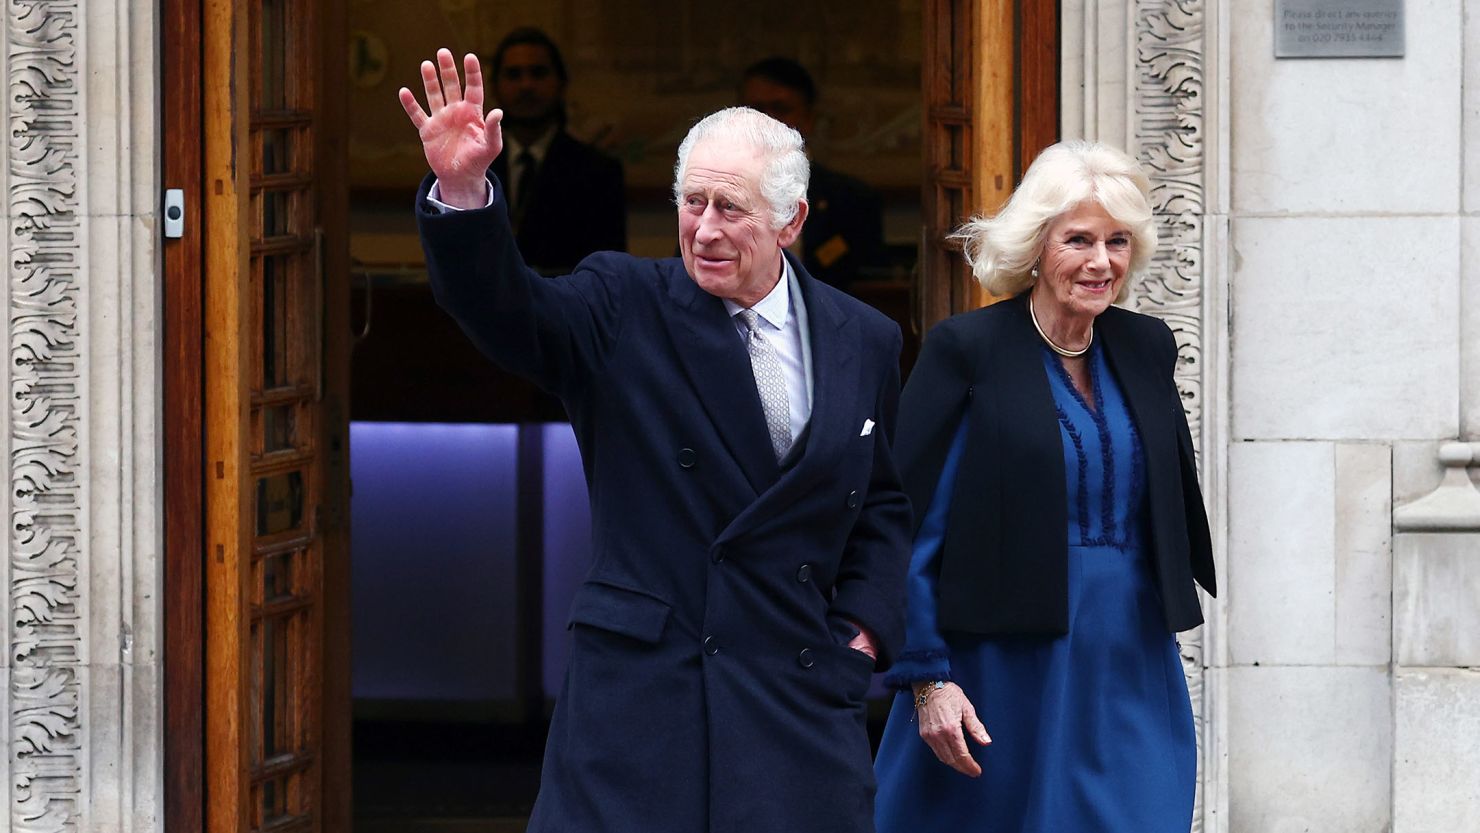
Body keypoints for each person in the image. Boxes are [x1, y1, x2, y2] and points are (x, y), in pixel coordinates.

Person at [398, 50, 912, 833]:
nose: (703, 230)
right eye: (691, 201)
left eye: (730, 209)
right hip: (646, 704)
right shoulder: (622, 304)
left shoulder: (864, 338)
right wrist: (465, 193)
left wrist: (862, 636)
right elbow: (511, 314)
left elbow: (880, 502)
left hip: (795, 701)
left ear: (792, 220)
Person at [871, 140, 1218, 832]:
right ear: (1036, 244)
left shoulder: (1145, 346)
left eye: (1118, 241)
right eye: (1079, 239)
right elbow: (907, 526)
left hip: (1130, 661)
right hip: (1002, 664)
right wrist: (927, 677)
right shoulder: (967, 351)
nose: (1101, 261)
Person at [486, 27, 625, 272]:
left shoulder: (598, 172)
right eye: (513, 75)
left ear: (561, 83)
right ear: (496, 86)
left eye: (538, 73)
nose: (526, 85)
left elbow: (608, 274)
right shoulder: (478, 170)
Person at [740, 57, 885, 291]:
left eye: (780, 109)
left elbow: (870, 290)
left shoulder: (853, 200)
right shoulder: (711, 192)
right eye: (755, 110)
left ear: (808, 118)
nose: (766, 121)